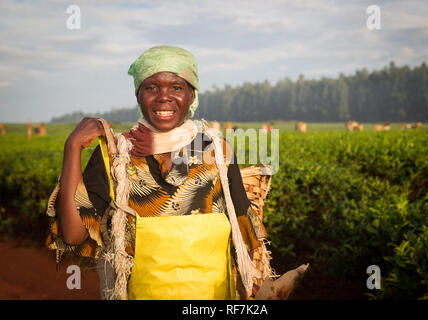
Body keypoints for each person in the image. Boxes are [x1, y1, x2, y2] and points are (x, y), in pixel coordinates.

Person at [45, 45, 306, 300]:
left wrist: (255, 289)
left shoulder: (217, 152)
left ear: (192, 96)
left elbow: (243, 234)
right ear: (138, 95)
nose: (163, 97)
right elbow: (72, 235)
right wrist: (72, 148)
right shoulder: (115, 156)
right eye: (151, 87)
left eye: (177, 88)